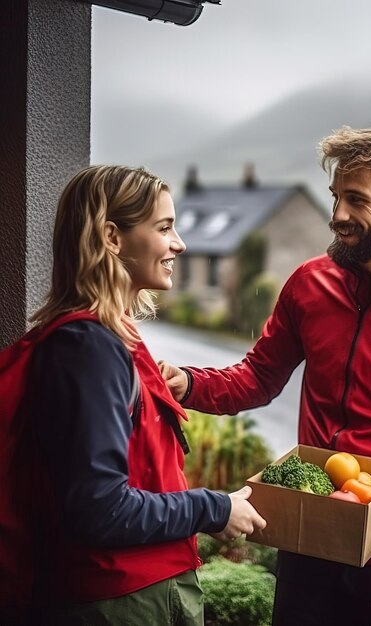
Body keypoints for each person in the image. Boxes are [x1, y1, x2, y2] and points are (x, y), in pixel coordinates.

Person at [160, 127, 371, 626]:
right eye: (336, 197)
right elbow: (257, 377)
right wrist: (186, 384)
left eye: (356, 200)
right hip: (311, 530)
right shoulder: (308, 284)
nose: (338, 215)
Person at [21, 165, 266, 625]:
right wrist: (215, 508)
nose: (180, 244)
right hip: (122, 602)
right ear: (112, 237)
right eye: (164, 228)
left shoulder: (105, 339)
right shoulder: (89, 347)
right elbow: (101, 508)